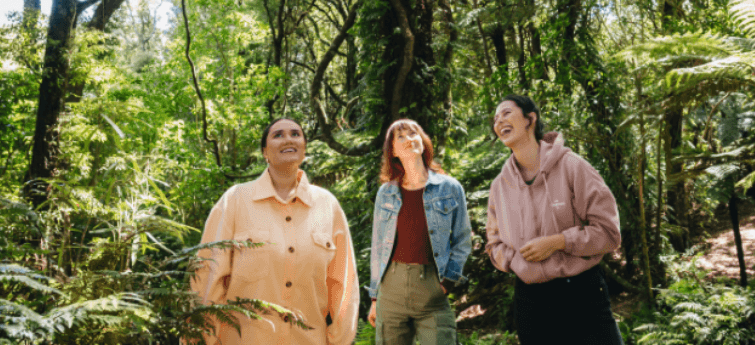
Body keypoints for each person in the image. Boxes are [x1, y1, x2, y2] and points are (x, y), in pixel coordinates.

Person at [191, 118, 359, 345]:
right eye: (278, 135)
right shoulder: (235, 200)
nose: (288, 138)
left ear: (304, 148)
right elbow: (208, 275)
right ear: (264, 152)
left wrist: (339, 340)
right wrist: (204, 338)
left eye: (295, 134)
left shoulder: (327, 205)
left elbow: (343, 282)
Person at [486, 94, 624, 345]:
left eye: (506, 113)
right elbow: (493, 244)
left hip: (583, 293)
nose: (499, 122)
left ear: (530, 119)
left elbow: (609, 233)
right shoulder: (499, 186)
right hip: (531, 301)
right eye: (495, 119)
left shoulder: (573, 167)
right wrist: (517, 262)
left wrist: (559, 241)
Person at [367, 118, 471, 345]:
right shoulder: (386, 193)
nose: (408, 139)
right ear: (392, 151)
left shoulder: (450, 188)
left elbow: (462, 240)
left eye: (413, 134)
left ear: (423, 143)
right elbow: (378, 247)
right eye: (400, 137)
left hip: (432, 289)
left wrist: (447, 283)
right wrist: (375, 298)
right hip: (391, 290)